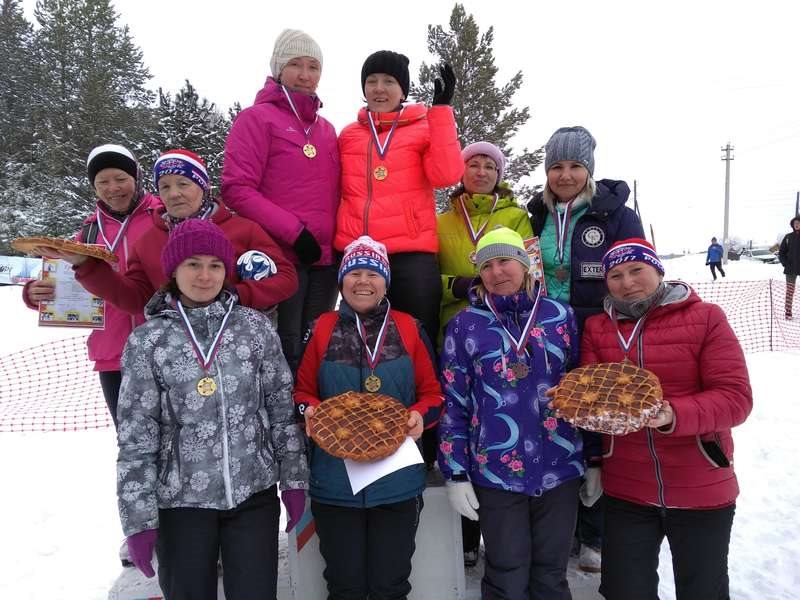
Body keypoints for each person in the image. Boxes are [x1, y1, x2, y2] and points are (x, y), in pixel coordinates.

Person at [117, 219, 309, 600]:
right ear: (173, 270)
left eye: (215, 265)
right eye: (193, 264)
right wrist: (138, 520)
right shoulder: (148, 340)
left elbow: (281, 410)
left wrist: (294, 481)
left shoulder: (255, 328)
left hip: (253, 494)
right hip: (180, 503)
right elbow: (136, 435)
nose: (205, 276)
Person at [580, 238, 752, 600]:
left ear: (658, 270)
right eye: (616, 275)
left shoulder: (705, 318)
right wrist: (574, 403)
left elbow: (735, 398)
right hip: (627, 488)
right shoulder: (598, 327)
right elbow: (591, 394)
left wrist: (674, 413)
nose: (627, 282)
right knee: (625, 590)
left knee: (702, 590)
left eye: (636, 270)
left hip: (700, 485)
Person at [294, 235, 443, 600]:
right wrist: (308, 411)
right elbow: (300, 393)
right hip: (335, 482)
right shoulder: (322, 328)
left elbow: (435, 396)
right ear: (342, 280)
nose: (363, 281)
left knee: (389, 586)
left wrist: (420, 416)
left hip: (397, 481)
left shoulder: (409, 328)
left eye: (373, 274)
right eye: (354, 272)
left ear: (385, 282)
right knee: (345, 587)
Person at [438, 227, 582, 600]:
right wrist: (455, 472)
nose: (497, 272)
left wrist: (594, 458)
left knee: (551, 574)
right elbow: (454, 402)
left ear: (525, 264)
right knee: (506, 574)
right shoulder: (464, 325)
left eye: (505, 261)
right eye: (487, 265)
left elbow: (584, 390)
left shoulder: (560, 316)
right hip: (497, 469)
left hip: (560, 464)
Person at [527, 125, 645, 572]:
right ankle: (555, 523)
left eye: (575, 166)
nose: (565, 175)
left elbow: (637, 273)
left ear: (589, 170)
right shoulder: (533, 214)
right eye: (556, 166)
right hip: (543, 336)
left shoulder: (614, 214)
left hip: (598, 331)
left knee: (597, 417)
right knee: (554, 418)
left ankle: (594, 533)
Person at [39, 149, 297, 316]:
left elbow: (286, 280)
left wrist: (239, 295)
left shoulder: (243, 229)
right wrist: (87, 265)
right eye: (165, 186)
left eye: (184, 184)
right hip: (176, 357)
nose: (174, 193)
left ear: (203, 186)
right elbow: (134, 298)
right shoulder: (149, 240)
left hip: (239, 345)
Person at [436, 141, 533, 567]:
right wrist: (455, 285)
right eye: (472, 163)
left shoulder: (516, 216)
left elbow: (532, 271)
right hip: (457, 331)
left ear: (499, 173)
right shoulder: (442, 221)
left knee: (511, 422)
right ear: (460, 172)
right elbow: (422, 275)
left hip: (510, 331)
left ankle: (514, 533)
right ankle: (468, 536)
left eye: (488, 165)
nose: (479, 170)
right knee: (466, 420)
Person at [221, 29, 340, 374]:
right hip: (282, 256)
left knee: (317, 346)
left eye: (313, 66)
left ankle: (312, 422)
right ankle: (282, 424)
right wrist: (295, 233)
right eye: (296, 65)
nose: (305, 75)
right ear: (278, 69)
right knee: (284, 347)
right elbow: (237, 188)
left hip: (325, 261)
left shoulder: (327, 129)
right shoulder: (256, 119)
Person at [22, 144, 160, 427]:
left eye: (121, 179)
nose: (113, 188)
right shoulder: (88, 232)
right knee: (131, 442)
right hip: (114, 355)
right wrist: (35, 292)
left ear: (137, 177)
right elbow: (63, 273)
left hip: (165, 349)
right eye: (102, 182)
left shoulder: (164, 217)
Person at [335, 50, 464, 347]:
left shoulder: (424, 128)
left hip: (411, 254)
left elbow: (446, 174)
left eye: (389, 81)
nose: (379, 88)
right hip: (360, 253)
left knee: (417, 338)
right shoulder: (349, 135)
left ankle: (427, 394)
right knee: (361, 341)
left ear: (403, 89)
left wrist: (442, 112)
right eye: (372, 81)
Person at [778, 216, 800, 319]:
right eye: (795, 223)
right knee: (790, 291)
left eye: (799, 222)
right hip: (791, 268)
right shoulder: (788, 237)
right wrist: (785, 263)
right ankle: (788, 311)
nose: (797, 224)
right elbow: (781, 253)